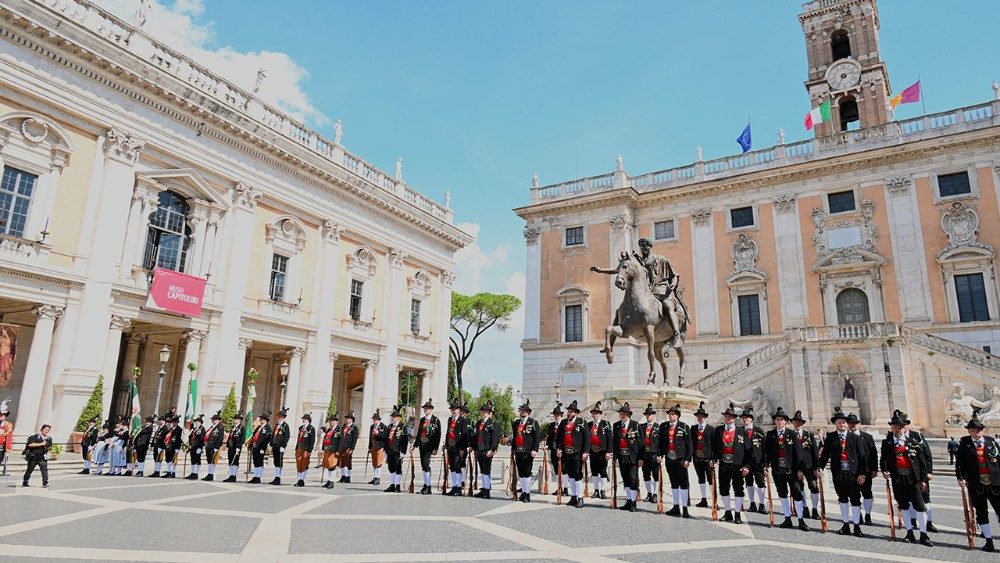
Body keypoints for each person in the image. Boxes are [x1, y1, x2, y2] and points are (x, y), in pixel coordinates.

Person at [881, 409, 933, 546]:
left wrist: (923, 479)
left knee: (920, 506)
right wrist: (884, 471)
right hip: (898, 479)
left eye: (899, 427)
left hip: (913, 478)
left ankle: (923, 534)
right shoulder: (887, 443)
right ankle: (909, 532)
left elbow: (922, 461)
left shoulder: (913, 441)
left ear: (904, 427)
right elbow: (883, 460)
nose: (897, 429)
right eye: (894, 427)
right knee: (903, 505)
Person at [818, 407, 869, 537]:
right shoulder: (831, 437)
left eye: (844, 422)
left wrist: (862, 474)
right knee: (842, 498)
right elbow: (825, 454)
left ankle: (856, 525)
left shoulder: (855, 438)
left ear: (847, 424)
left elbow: (862, 457)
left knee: (855, 499)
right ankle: (845, 524)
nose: (842, 424)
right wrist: (820, 467)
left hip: (853, 473)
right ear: (835, 424)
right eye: (839, 422)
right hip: (838, 472)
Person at [955, 413, 1000, 552]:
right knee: (981, 512)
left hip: (995, 483)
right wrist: (960, 478)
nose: (977, 433)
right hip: (976, 484)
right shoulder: (965, 443)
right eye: (973, 431)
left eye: (979, 430)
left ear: (983, 430)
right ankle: (988, 540)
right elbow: (959, 463)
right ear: (969, 431)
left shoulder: (991, 441)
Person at [764, 407, 809, 531]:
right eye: (777, 419)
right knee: (782, 493)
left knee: (797, 493)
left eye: (781, 420)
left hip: (792, 469)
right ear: (775, 421)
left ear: (785, 421)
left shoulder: (792, 434)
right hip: (778, 469)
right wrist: (766, 465)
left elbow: (799, 453)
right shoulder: (771, 435)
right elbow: (766, 452)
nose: (779, 422)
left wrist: (800, 469)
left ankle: (800, 519)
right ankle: (787, 517)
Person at [712, 403, 752, 523]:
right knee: (724, 488)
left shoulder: (741, 431)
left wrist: (747, 465)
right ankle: (728, 512)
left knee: (738, 488)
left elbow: (748, 450)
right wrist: (713, 459)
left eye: (730, 416)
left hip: (737, 465)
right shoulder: (718, 430)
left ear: (734, 418)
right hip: (724, 463)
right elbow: (714, 447)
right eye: (726, 416)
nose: (728, 418)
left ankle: (738, 514)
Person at [660, 403, 693, 517]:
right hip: (669, 458)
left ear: (677, 416)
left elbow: (689, 444)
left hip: (680, 459)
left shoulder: (684, 426)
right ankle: (676, 506)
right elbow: (661, 442)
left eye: (673, 414)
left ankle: (685, 508)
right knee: (673, 482)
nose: (671, 416)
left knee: (683, 483)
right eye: (669, 414)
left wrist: (688, 459)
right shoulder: (664, 426)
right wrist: (660, 455)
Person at [556, 400, 590, 507]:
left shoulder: (582, 422)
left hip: (577, 452)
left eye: (571, 412)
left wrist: (585, 452)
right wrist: (559, 448)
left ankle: (580, 497)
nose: (569, 413)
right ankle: (573, 496)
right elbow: (559, 437)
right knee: (570, 474)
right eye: (568, 411)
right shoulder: (563, 423)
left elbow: (587, 438)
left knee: (577, 474)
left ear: (576, 413)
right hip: (567, 452)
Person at [847, 413, 879, 525]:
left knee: (867, 493)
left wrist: (874, 469)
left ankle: (868, 515)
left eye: (854, 424)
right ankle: (858, 515)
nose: (852, 426)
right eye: (850, 424)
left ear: (858, 424)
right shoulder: (845, 437)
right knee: (854, 494)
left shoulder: (867, 437)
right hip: (851, 471)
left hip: (866, 470)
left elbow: (873, 454)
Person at [791, 410, 822, 519]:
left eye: (799, 422)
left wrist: (817, 467)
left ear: (802, 423)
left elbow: (815, 452)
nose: (797, 424)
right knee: (799, 488)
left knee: (814, 486)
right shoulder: (790, 435)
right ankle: (804, 508)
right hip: (796, 467)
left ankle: (815, 509)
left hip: (809, 465)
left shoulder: (808, 435)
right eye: (795, 422)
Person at [512, 398, 541, 502]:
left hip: (528, 451)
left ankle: (527, 494)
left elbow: (537, 437)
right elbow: (515, 436)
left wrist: (535, 449)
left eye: (524, 411)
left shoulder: (533, 422)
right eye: (521, 410)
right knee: (521, 473)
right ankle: (523, 492)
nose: (522, 412)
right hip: (518, 451)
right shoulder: (516, 423)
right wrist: (513, 449)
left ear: (528, 412)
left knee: (527, 472)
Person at [613, 402, 641, 512]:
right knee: (625, 478)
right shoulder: (616, 425)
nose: (622, 416)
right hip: (621, 456)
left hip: (632, 456)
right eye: (621, 414)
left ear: (629, 415)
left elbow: (641, 442)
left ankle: (633, 502)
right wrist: (614, 456)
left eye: (624, 414)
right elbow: (615, 442)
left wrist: (641, 458)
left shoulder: (635, 424)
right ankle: (629, 500)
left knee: (632, 478)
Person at [473, 401, 502, 499]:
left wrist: (492, 449)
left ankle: (487, 491)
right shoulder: (479, 423)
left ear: (489, 413)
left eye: (485, 411)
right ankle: (483, 488)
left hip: (487, 450)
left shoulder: (493, 423)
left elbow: (496, 438)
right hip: (479, 449)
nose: (483, 413)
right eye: (482, 411)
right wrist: (473, 447)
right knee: (482, 470)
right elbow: (475, 436)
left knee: (486, 470)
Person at [740, 407, 766, 514]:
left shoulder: (758, 430)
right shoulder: (740, 431)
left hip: (758, 461)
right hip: (746, 462)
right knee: (749, 482)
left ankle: (762, 504)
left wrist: (765, 463)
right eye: (743, 417)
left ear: (752, 419)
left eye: (747, 417)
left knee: (761, 483)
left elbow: (764, 447)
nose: (745, 419)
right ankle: (752, 504)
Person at [414, 398, 441, 495]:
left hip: (430, 446)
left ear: (431, 409)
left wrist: (435, 448)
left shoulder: (436, 420)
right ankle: (425, 485)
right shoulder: (422, 420)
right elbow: (419, 433)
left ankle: (428, 486)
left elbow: (438, 435)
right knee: (423, 464)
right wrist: (415, 444)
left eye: (428, 408)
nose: (426, 410)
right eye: (425, 408)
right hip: (422, 445)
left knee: (426, 463)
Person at [691, 402, 715, 508]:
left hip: (708, 459)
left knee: (711, 479)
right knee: (701, 478)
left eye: (702, 416)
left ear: (705, 417)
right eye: (698, 416)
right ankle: (703, 499)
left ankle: (714, 500)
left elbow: (714, 445)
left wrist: (713, 459)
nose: (700, 418)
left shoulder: (711, 429)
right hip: (697, 458)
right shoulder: (693, 428)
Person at [443, 402, 469, 496]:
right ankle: (454, 486)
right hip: (450, 446)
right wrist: (446, 444)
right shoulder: (450, 419)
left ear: (458, 410)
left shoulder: (462, 420)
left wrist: (463, 448)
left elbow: (465, 436)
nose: (453, 411)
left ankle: (458, 488)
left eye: (454, 409)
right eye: (452, 409)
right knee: (452, 467)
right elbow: (448, 433)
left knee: (457, 467)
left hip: (458, 447)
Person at [587, 401, 611, 500]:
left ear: (600, 414)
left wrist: (609, 451)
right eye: (593, 413)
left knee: (603, 471)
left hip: (602, 451)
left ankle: (603, 491)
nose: (594, 415)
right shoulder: (589, 425)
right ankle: (596, 490)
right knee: (594, 471)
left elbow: (610, 438)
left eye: (596, 413)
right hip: (592, 451)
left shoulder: (605, 423)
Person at [638, 404, 661, 504]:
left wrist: (660, 455)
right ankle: (649, 493)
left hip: (654, 453)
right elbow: (639, 442)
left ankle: (655, 494)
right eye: (647, 414)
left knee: (655, 475)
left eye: (650, 414)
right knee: (646, 474)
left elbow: (661, 443)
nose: (648, 416)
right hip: (644, 454)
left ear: (653, 415)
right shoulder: (642, 427)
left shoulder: (658, 427)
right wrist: (640, 457)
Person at [384, 406, 409, 493]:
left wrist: (403, 452)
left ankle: (397, 485)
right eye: (393, 416)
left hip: (398, 450)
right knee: (391, 468)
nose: (393, 418)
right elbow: (386, 439)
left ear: (399, 417)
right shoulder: (390, 426)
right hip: (390, 450)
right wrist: (385, 450)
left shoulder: (403, 426)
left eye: (395, 417)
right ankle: (392, 485)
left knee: (398, 467)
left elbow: (405, 440)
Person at [22, 424, 52, 488]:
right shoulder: (36, 436)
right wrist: (41, 444)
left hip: (42, 457)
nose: (46, 431)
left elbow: (50, 447)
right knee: (29, 470)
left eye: (47, 430)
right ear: (42, 429)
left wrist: (48, 448)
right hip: (33, 457)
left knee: (44, 471)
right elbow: (30, 445)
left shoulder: (49, 438)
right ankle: (25, 482)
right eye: (45, 429)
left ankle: (45, 483)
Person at [545, 403, 566, 496]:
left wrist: (561, 448)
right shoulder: (551, 425)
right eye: (555, 415)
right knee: (556, 469)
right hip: (553, 449)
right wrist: (547, 445)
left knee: (564, 469)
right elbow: (550, 437)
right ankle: (559, 487)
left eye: (558, 415)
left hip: (563, 450)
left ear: (561, 415)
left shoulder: (564, 424)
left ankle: (566, 488)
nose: (556, 416)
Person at [248, 412, 271, 484]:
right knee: (255, 461)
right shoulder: (259, 427)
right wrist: (250, 444)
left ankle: (258, 477)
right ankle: (255, 476)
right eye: (261, 418)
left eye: (262, 419)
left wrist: (263, 448)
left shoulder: (267, 428)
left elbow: (267, 439)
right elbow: (254, 436)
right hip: (255, 446)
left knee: (259, 462)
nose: (261, 420)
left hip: (261, 447)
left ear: (266, 420)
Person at [202, 412, 225, 481]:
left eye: (214, 419)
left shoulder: (220, 427)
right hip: (208, 446)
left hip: (214, 447)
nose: (213, 421)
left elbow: (220, 438)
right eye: (212, 419)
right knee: (209, 461)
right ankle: (209, 474)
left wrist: (217, 447)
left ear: (218, 420)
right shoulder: (211, 427)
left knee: (213, 461)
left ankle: (211, 474)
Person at [294, 413, 315, 487]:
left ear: (308, 420)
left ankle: (301, 479)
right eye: (303, 419)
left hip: (306, 449)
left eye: (305, 419)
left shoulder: (311, 428)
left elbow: (312, 440)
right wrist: (296, 447)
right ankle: (299, 479)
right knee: (299, 464)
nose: (303, 420)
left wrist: (309, 450)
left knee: (304, 464)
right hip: (299, 448)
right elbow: (298, 438)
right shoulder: (301, 428)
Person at [270, 408, 290, 485]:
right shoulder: (277, 425)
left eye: (280, 416)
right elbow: (274, 434)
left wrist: (283, 446)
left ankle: (278, 477)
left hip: (280, 446)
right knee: (275, 461)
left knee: (279, 461)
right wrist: (271, 443)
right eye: (278, 416)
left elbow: (287, 436)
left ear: (283, 417)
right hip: (275, 445)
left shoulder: (285, 425)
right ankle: (276, 476)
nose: (278, 417)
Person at [224, 411, 246, 482]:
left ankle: (234, 476)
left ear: (240, 420)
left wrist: (239, 447)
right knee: (230, 460)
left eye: (236, 419)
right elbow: (230, 436)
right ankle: (231, 475)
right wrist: (227, 444)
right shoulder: (233, 427)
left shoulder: (242, 427)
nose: (234, 420)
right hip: (231, 446)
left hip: (236, 447)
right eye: (234, 419)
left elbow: (242, 439)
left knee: (235, 461)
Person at [337, 411, 358, 483]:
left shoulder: (354, 428)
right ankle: (343, 476)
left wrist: (352, 448)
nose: (347, 420)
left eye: (349, 418)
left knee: (348, 462)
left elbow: (354, 439)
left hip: (348, 446)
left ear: (352, 419)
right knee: (342, 462)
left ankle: (348, 477)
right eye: (347, 418)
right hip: (342, 446)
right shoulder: (343, 426)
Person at [367, 410, 387, 487]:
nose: (374, 421)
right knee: (374, 462)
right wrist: (369, 447)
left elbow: (385, 437)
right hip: (373, 446)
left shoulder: (383, 426)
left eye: (375, 419)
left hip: (380, 446)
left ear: (379, 420)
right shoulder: (372, 426)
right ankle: (375, 476)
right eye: (373, 419)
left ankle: (377, 477)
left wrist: (378, 433)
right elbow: (370, 437)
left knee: (379, 462)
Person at [320, 414, 340, 489]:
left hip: (333, 450)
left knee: (332, 466)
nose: (331, 422)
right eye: (330, 421)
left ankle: (332, 481)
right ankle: (329, 480)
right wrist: (323, 449)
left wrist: (338, 450)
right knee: (328, 466)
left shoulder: (338, 429)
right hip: (327, 449)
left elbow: (340, 441)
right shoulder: (329, 429)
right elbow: (325, 439)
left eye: (332, 421)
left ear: (336, 421)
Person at [186, 415, 206, 480]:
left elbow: (202, 438)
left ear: (200, 422)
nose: (196, 423)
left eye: (198, 422)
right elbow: (190, 437)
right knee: (193, 459)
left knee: (197, 460)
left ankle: (196, 473)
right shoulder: (194, 429)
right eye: (196, 422)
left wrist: (200, 447)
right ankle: (193, 473)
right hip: (192, 446)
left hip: (197, 446)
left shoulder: (202, 428)